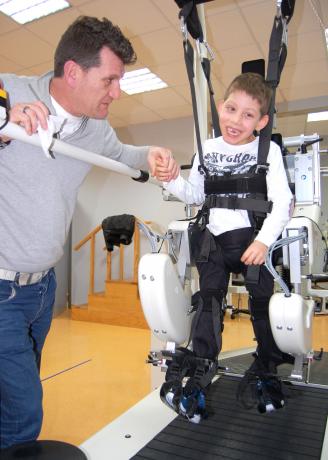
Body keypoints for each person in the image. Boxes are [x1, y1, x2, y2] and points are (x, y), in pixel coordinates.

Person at [0, 16, 178, 450]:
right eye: (111, 79)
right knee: (23, 412)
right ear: (74, 72)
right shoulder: (13, 90)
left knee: (7, 400)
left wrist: (152, 153)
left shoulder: (94, 130)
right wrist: (5, 114)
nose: (117, 92)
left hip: (42, 289)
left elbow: (123, 155)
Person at [156, 72, 294, 421]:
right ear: (221, 107)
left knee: (262, 306)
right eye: (231, 109)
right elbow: (195, 195)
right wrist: (171, 179)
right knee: (208, 307)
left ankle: (266, 370)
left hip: (253, 241)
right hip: (214, 243)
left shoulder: (269, 151)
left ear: (261, 122)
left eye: (248, 115)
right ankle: (200, 376)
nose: (236, 120)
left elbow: (283, 202)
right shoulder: (208, 148)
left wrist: (264, 241)